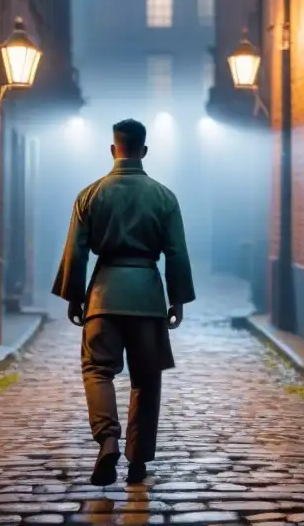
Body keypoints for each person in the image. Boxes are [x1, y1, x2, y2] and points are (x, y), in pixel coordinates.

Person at [51, 118, 195, 487]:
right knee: (146, 380)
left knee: (97, 370)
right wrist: (177, 299)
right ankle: (137, 461)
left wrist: (74, 295)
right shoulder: (165, 197)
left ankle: (108, 439)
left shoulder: (90, 194)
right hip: (147, 296)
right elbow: (176, 253)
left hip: (104, 295)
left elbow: (77, 251)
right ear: (144, 151)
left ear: (113, 149)